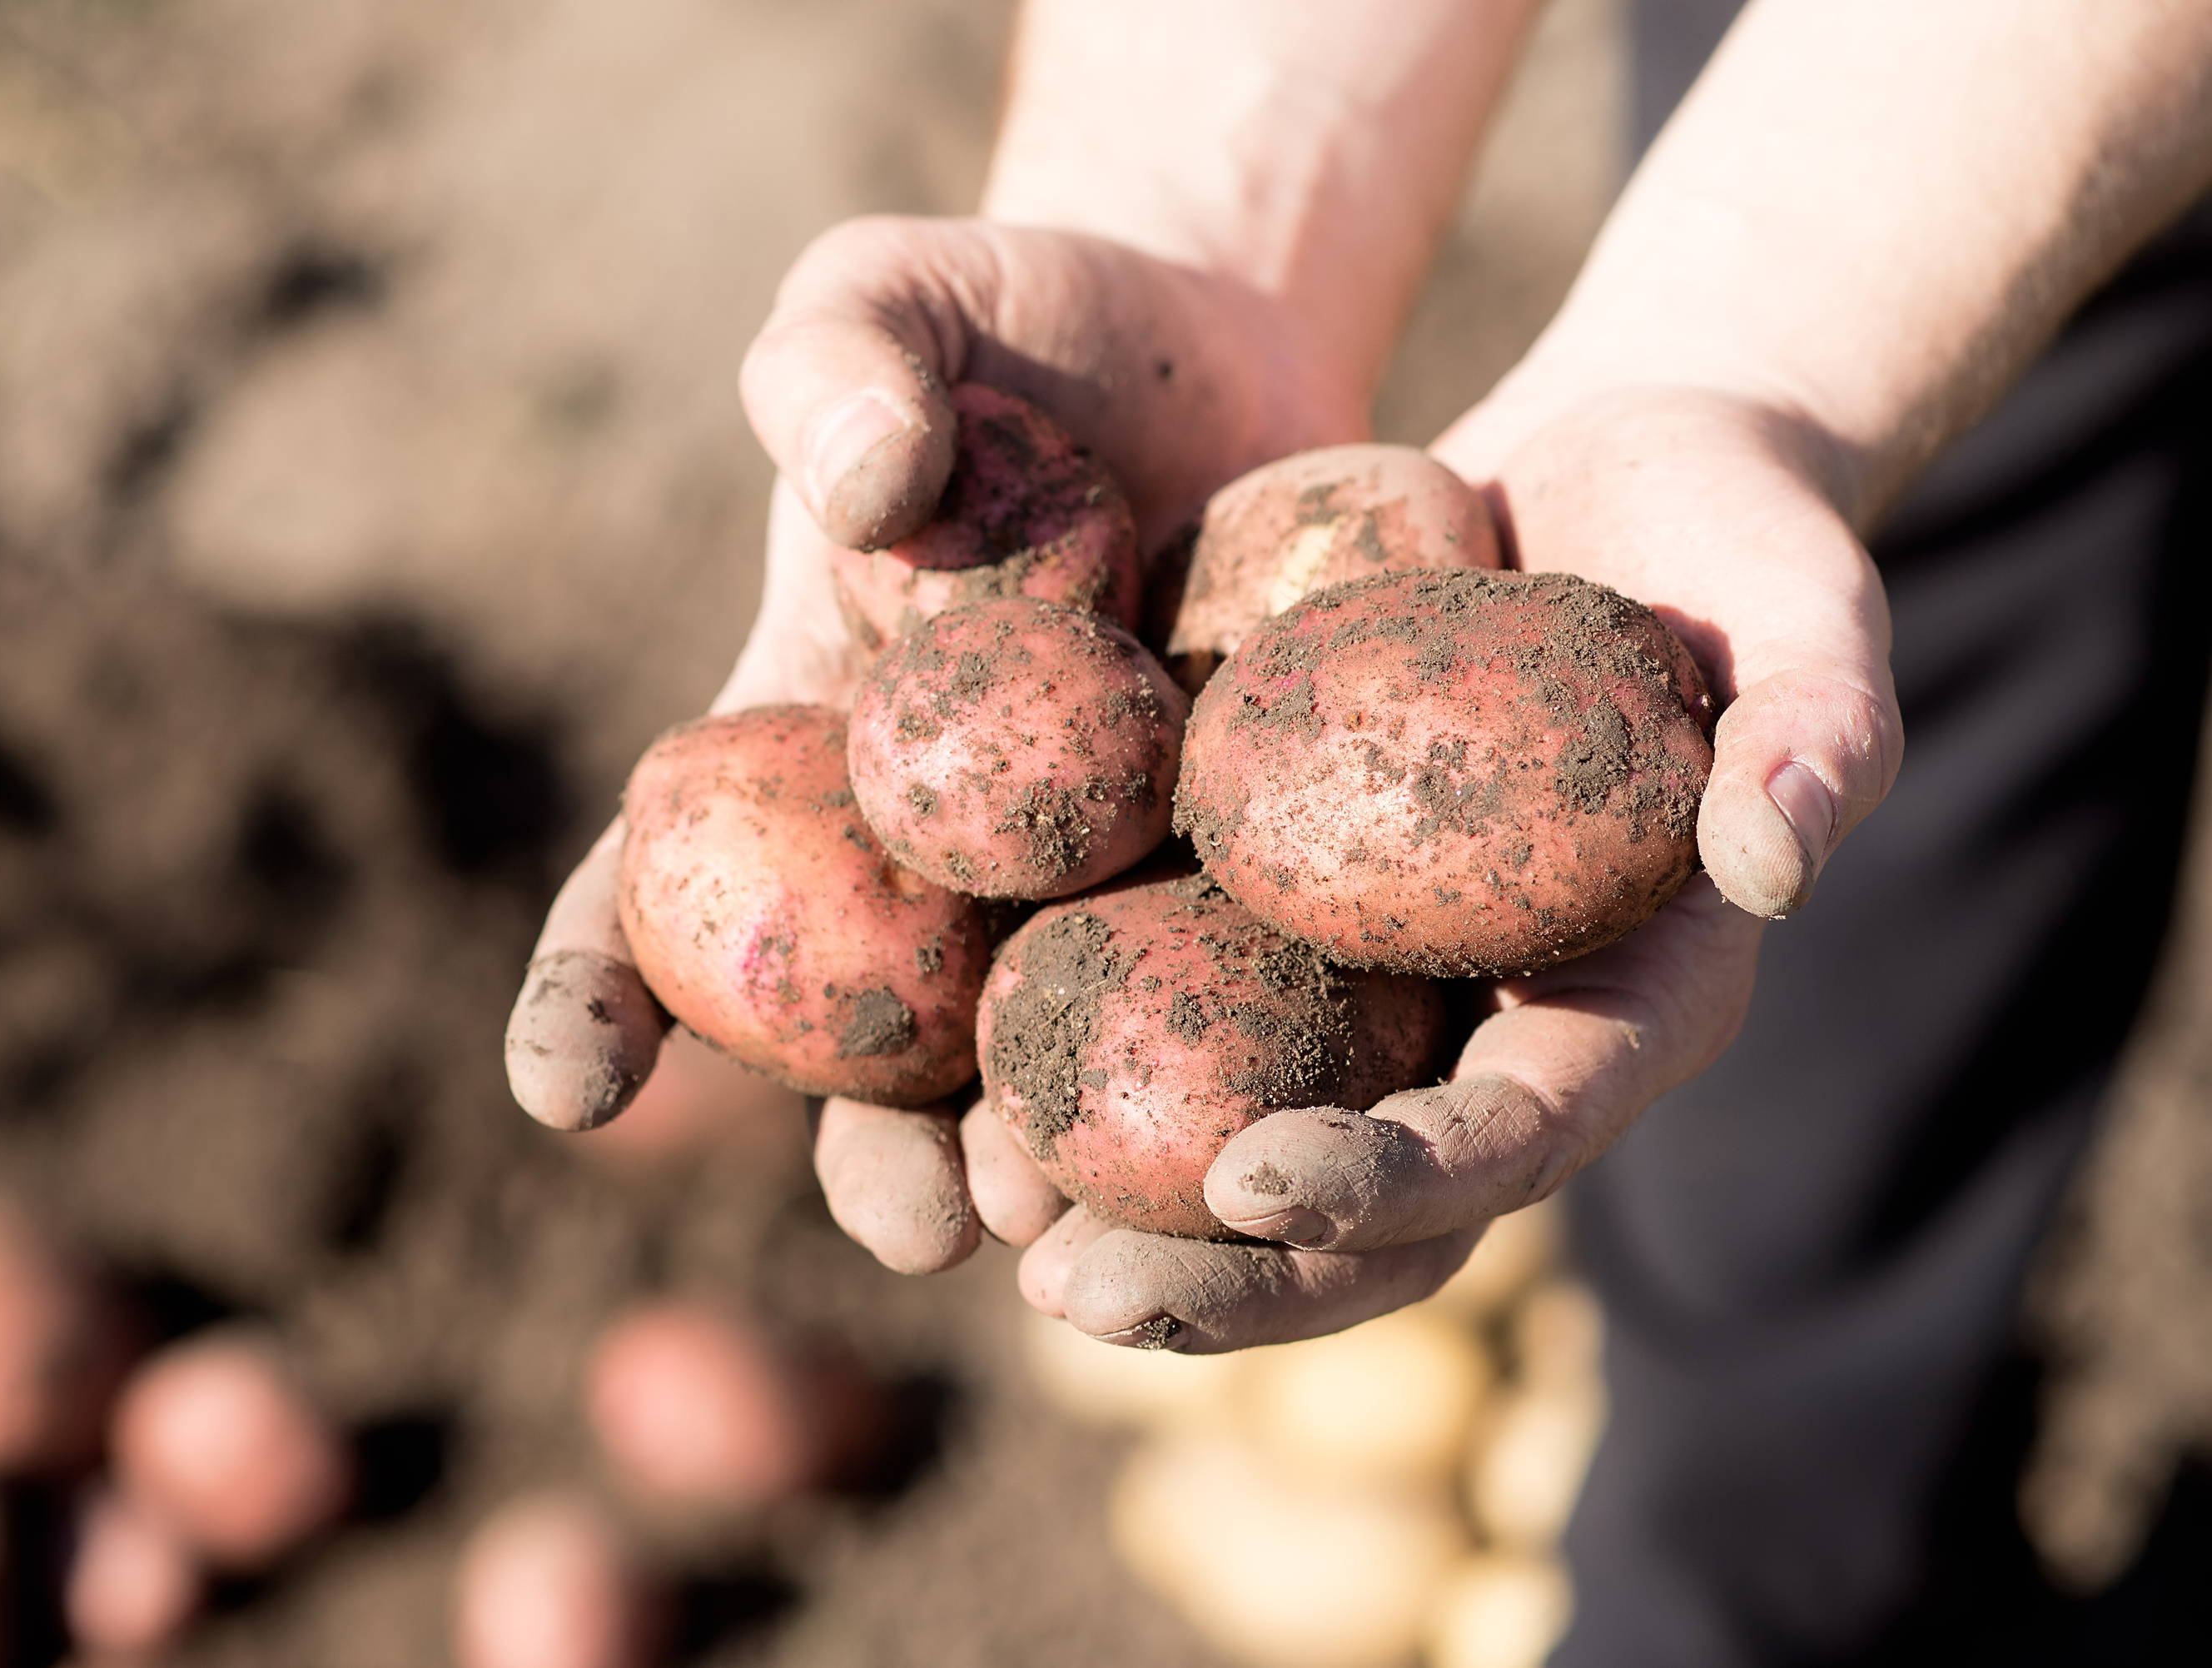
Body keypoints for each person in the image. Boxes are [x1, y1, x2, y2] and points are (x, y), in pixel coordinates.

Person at [507, 2, 2212, 1661]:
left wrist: (1755, 360)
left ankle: (1770, 1554)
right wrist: (1191, 217)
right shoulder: (1095, 746)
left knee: (1948, 611)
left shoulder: (1260, 744)